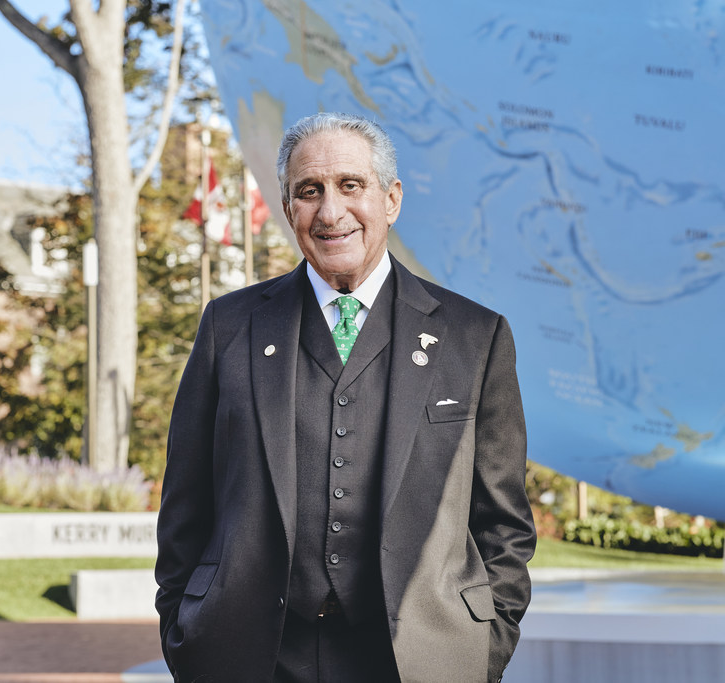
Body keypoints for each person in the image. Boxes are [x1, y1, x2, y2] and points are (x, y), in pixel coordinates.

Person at [155, 112, 536, 682]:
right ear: (289, 211)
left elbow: (503, 523)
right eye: (309, 192)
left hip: (421, 662)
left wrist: (485, 648)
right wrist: (183, 633)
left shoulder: (475, 337)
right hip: (251, 658)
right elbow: (184, 507)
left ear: (391, 199)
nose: (330, 212)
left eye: (350, 186)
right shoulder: (228, 327)